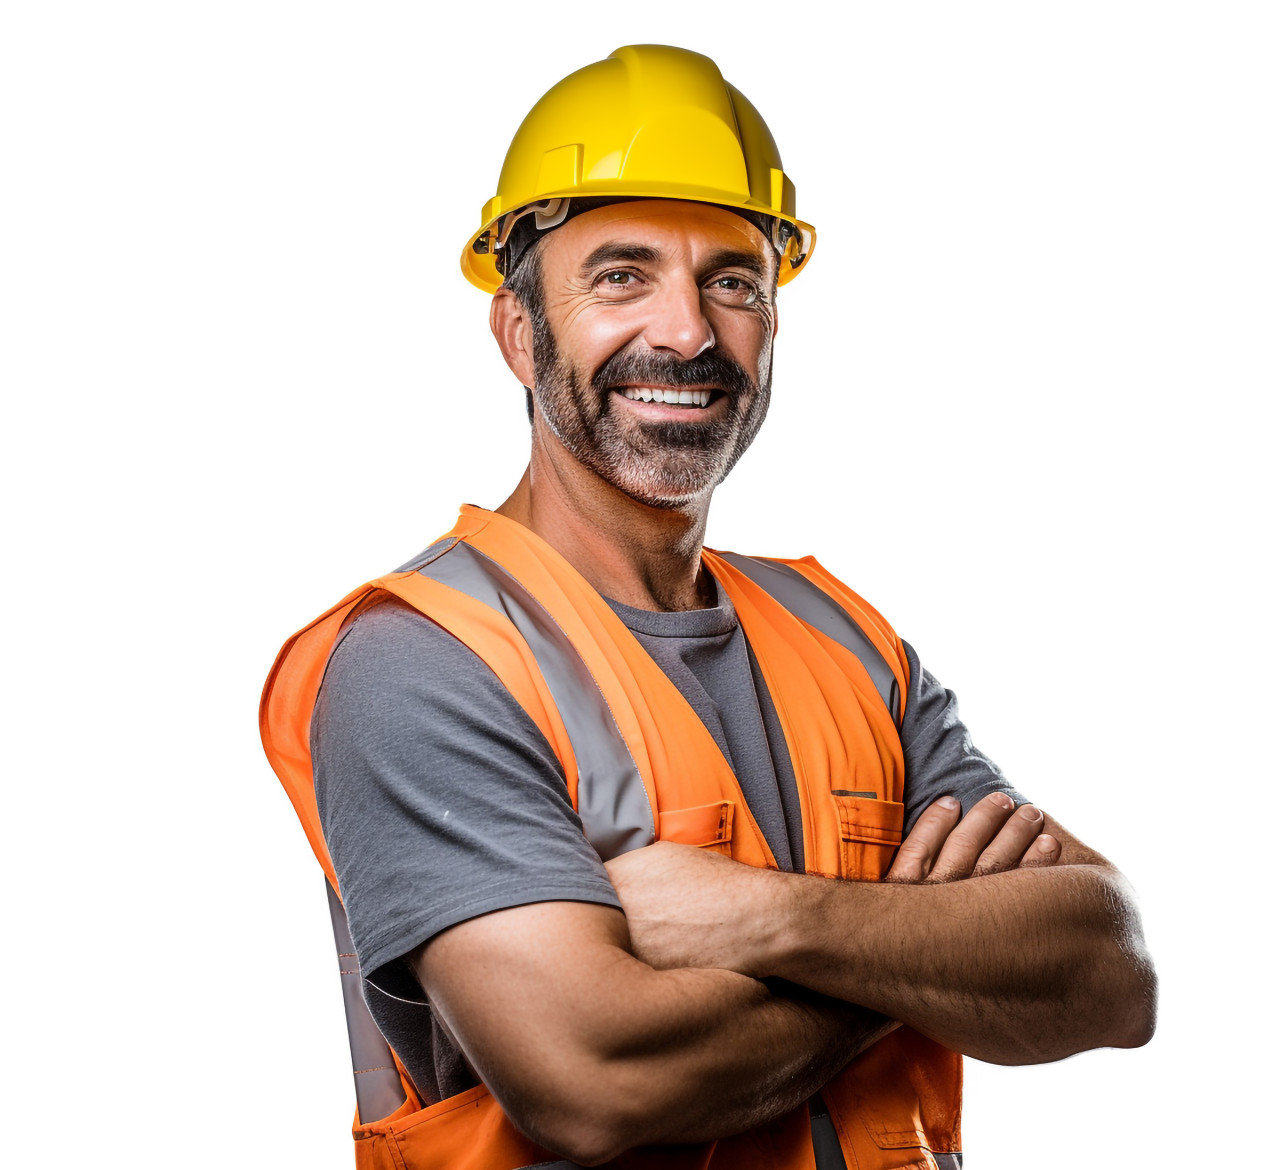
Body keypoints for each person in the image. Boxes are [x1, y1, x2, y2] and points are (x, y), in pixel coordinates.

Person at [261, 44, 1156, 1170]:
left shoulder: (844, 639)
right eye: (620, 276)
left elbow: (1108, 972)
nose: (685, 333)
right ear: (519, 332)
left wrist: (773, 918)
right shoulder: (426, 660)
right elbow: (593, 1079)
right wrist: (924, 952)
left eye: (731, 282)